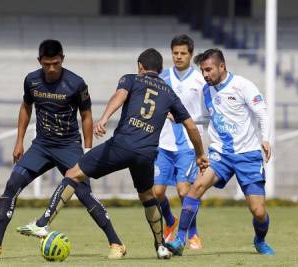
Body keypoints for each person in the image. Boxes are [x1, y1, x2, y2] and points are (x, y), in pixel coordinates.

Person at [18, 48, 209, 259]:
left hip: (122, 145)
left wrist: (104, 118)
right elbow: (191, 126)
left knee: (73, 174)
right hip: (146, 153)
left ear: (140, 67)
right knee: (147, 196)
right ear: (161, 69)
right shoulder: (169, 92)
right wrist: (200, 154)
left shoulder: (131, 79)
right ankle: (160, 246)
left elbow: (120, 95)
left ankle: (42, 224)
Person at [0, 39, 124, 259]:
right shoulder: (31, 81)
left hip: (69, 147)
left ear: (62, 59)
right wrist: (19, 141)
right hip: (41, 147)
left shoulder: (77, 83)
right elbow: (26, 107)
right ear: (39, 61)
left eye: (55, 63)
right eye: (46, 64)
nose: (51, 68)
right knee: (12, 184)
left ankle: (116, 243)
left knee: (84, 194)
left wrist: (88, 148)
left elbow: (86, 115)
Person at [166, 48, 275, 256]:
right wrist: (179, 117)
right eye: (203, 71)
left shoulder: (243, 85)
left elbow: (262, 112)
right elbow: (205, 117)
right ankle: (180, 239)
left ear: (222, 67)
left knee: (258, 211)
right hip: (220, 155)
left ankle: (260, 240)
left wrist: (266, 139)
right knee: (196, 187)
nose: (205, 75)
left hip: (248, 155)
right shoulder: (206, 91)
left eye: (209, 70)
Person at [154, 34, 205, 249]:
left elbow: (209, 114)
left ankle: (192, 233)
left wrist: (188, 121)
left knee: (185, 191)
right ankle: (170, 221)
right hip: (163, 144)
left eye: (183, 53)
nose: (178, 56)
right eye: (175, 53)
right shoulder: (162, 78)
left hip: (187, 145)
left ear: (190, 55)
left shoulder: (201, 81)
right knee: (156, 193)